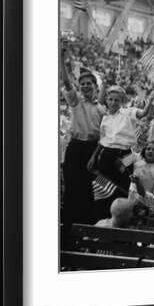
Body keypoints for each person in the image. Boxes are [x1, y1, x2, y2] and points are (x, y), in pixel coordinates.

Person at [88, 85, 154, 221]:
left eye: (116, 100)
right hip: (107, 153)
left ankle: (119, 218)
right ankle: (102, 219)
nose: (113, 103)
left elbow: (143, 113)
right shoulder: (105, 118)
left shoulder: (129, 112)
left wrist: (150, 100)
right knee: (103, 186)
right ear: (106, 100)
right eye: (110, 99)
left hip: (125, 155)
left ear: (121, 101)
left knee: (122, 186)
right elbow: (102, 140)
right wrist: (93, 156)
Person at [59, 45, 106, 233]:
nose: (85, 86)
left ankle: (86, 229)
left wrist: (95, 155)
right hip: (75, 149)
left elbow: (103, 136)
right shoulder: (75, 102)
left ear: (95, 87)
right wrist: (61, 59)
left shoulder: (102, 109)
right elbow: (66, 81)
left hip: (93, 151)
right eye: (83, 84)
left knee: (89, 191)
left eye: (89, 84)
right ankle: (68, 229)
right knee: (72, 189)